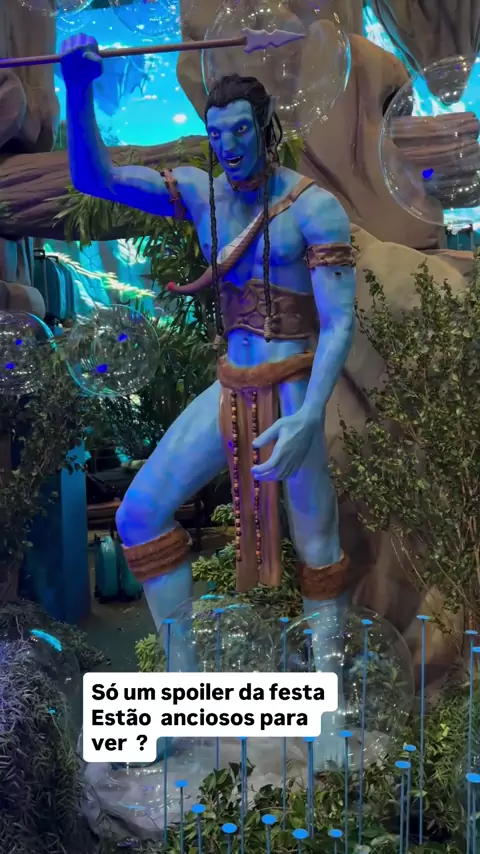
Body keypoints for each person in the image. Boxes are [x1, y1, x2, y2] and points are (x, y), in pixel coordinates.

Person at [61, 33, 356, 768]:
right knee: (137, 514)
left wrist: (308, 416)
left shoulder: (314, 209)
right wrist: (78, 87)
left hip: (293, 389)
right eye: (216, 134)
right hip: (229, 386)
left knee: (318, 548)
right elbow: (94, 177)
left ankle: (329, 720)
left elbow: (341, 320)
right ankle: (180, 691)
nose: (228, 147)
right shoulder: (200, 194)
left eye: (239, 132)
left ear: (264, 129)